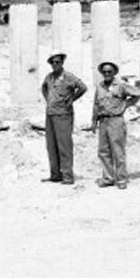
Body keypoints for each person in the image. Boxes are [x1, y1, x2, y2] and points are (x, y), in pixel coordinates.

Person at [40, 52, 87, 185]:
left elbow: (83, 88)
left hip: (63, 114)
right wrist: (48, 100)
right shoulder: (49, 77)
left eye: (57, 62)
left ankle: (67, 176)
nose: (55, 64)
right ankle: (55, 174)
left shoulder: (68, 76)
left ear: (62, 63)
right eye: (53, 62)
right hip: (50, 114)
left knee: (64, 146)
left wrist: (71, 99)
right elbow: (44, 87)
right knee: (51, 146)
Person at [90, 61, 139, 189]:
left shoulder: (121, 85)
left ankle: (121, 179)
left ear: (114, 73)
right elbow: (96, 105)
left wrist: (125, 105)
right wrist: (94, 122)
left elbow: (137, 94)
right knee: (103, 151)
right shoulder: (100, 86)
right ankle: (108, 178)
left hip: (116, 121)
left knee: (118, 151)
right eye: (104, 72)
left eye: (109, 72)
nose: (106, 74)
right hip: (103, 121)